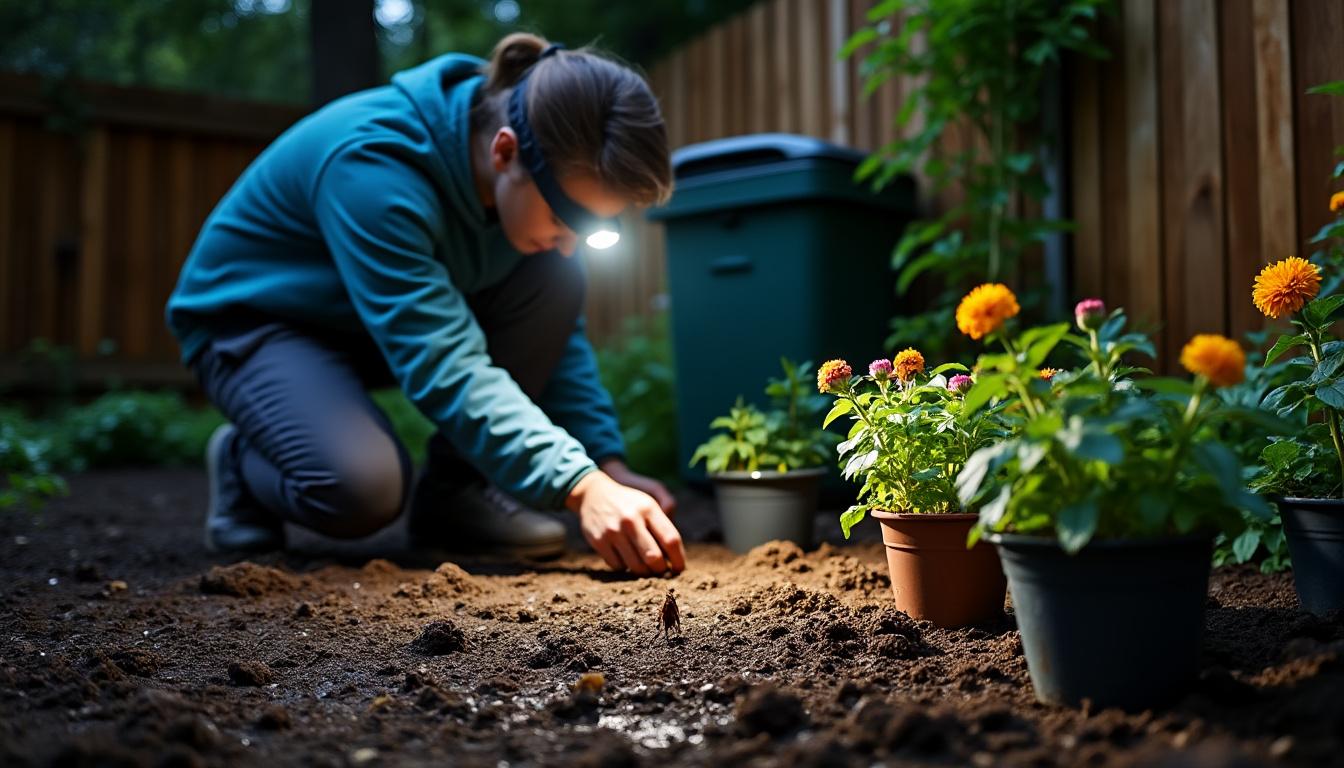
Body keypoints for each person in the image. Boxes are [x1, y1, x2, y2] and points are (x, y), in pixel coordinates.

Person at [165, 33, 686, 576]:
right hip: (259, 324)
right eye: (566, 218)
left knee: (556, 277)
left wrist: (607, 463)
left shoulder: (527, 203)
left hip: (365, 324)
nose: (574, 240)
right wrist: (581, 487)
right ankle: (240, 465)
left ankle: (453, 499)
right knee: (361, 489)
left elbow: (558, 341)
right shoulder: (373, 167)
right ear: (505, 152)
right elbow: (446, 365)